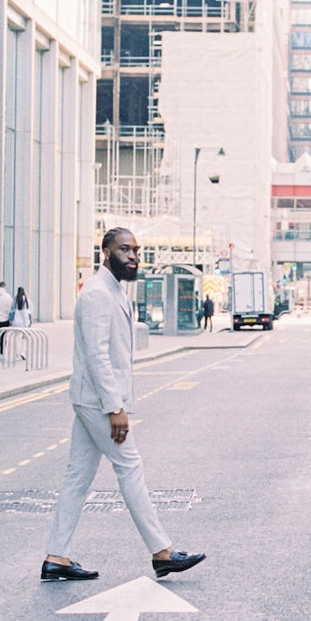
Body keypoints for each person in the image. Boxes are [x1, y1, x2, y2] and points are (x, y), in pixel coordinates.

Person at [41, 227, 205, 583]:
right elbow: (98, 354)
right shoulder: (98, 293)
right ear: (106, 253)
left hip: (90, 398)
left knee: (77, 477)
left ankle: (57, 556)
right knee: (130, 468)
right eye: (125, 250)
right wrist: (115, 407)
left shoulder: (113, 290)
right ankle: (161, 552)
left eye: (136, 250)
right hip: (98, 401)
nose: (133, 256)